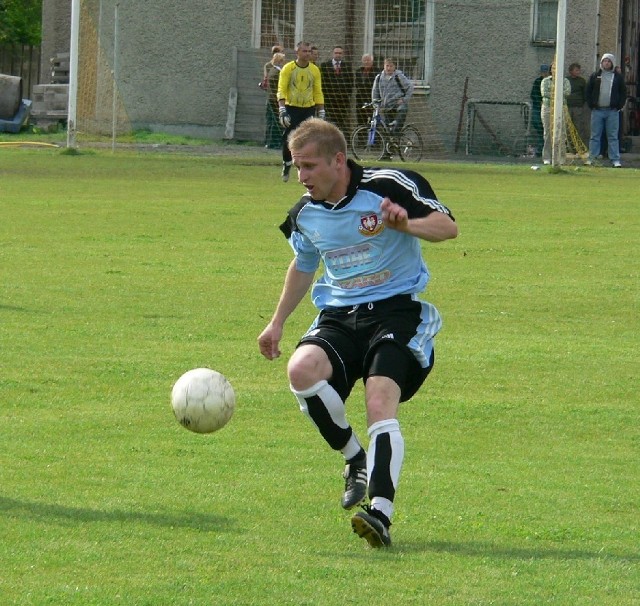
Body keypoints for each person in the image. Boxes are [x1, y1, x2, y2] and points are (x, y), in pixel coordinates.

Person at [257, 118, 458, 548]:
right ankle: (355, 458)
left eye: (309, 166)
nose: (302, 176)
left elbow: (447, 227)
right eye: (296, 167)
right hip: (340, 314)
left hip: (396, 312)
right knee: (301, 371)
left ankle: (380, 512)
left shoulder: (389, 185)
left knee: (379, 398)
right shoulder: (304, 214)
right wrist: (276, 322)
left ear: (338, 160)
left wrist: (407, 225)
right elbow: (304, 264)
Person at [277, 41, 325, 182]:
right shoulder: (288, 68)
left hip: (308, 109)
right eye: (304, 51)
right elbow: (281, 89)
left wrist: (321, 111)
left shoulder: (315, 70)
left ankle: (305, 169)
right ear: (297, 52)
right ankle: (287, 164)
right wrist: (282, 109)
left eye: (309, 51)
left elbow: (317, 91)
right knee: (288, 139)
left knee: (308, 140)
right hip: (291, 108)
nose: (307, 54)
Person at [585, 53, 627, 167]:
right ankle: (592, 158)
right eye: (605, 61)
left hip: (612, 111)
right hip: (597, 111)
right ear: (601, 62)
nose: (606, 63)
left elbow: (623, 92)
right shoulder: (595, 76)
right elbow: (588, 91)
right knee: (595, 135)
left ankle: (615, 159)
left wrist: (619, 106)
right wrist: (591, 105)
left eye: (609, 61)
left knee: (613, 136)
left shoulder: (618, 77)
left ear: (612, 63)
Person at [371, 58, 414, 135]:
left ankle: (397, 136)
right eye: (387, 66)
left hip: (399, 106)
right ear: (383, 66)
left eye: (391, 66)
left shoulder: (399, 76)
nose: (389, 68)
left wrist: (404, 99)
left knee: (396, 127)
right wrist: (376, 105)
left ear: (394, 67)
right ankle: (391, 145)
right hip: (387, 107)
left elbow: (410, 87)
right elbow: (375, 92)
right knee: (387, 131)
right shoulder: (379, 77)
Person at [540, 62, 571, 165]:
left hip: (561, 108)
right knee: (548, 133)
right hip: (548, 108)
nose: (555, 70)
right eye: (554, 68)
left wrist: (554, 92)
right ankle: (547, 157)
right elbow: (544, 93)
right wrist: (557, 92)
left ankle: (561, 158)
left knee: (562, 133)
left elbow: (567, 92)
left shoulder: (565, 81)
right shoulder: (545, 81)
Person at [320, 45, 354, 134]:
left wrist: (346, 96)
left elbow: (350, 83)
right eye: (336, 53)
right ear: (333, 54)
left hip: (342, 101)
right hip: (329, 101)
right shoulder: (325, 66)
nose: (338, 55)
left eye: (340, 53)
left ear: (342, 54)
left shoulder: (347, 66)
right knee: (329, 122)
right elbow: (322, 83)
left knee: (341, 123)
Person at [264, 52, 286, 149]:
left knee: (272, 121)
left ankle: (269, 142)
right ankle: (274, 143)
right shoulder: (278, 72)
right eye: (283, 60)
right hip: (275, 99)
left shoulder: (272, 70)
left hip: (271, 98)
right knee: (276, 122)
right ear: (280, 61)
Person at [529, 64, 550, 157]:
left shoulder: (550, 81)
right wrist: (540, 102)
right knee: (539, 128)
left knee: (546, 130)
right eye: (543, 72)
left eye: (546, 71)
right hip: (538, 108)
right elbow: (533, 94)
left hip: (547, 107)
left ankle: (543, 150)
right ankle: (540, 149)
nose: (544, 73)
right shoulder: (537, 81)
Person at [566, 62, 588, 146]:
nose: (578, 72)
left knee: (578, 127)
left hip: (578, 107)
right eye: (576, 70)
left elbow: (585, 93)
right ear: (571, 71)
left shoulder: (581, 81)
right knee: (568, 127)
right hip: (567, 107)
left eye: (579, 70)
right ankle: (568, 146)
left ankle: (579, 146)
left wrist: (582, 102)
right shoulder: (566, 80)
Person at [354, 53, 378, 126]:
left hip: (371, 100)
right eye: (365, 60)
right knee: (361, 122)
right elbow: (356, 85)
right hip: (360, 101)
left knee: (372, 122)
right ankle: (361, 137)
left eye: (368, 60)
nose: (366, 62)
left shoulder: (377, 72)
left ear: (372, 61)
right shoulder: (358, 72)